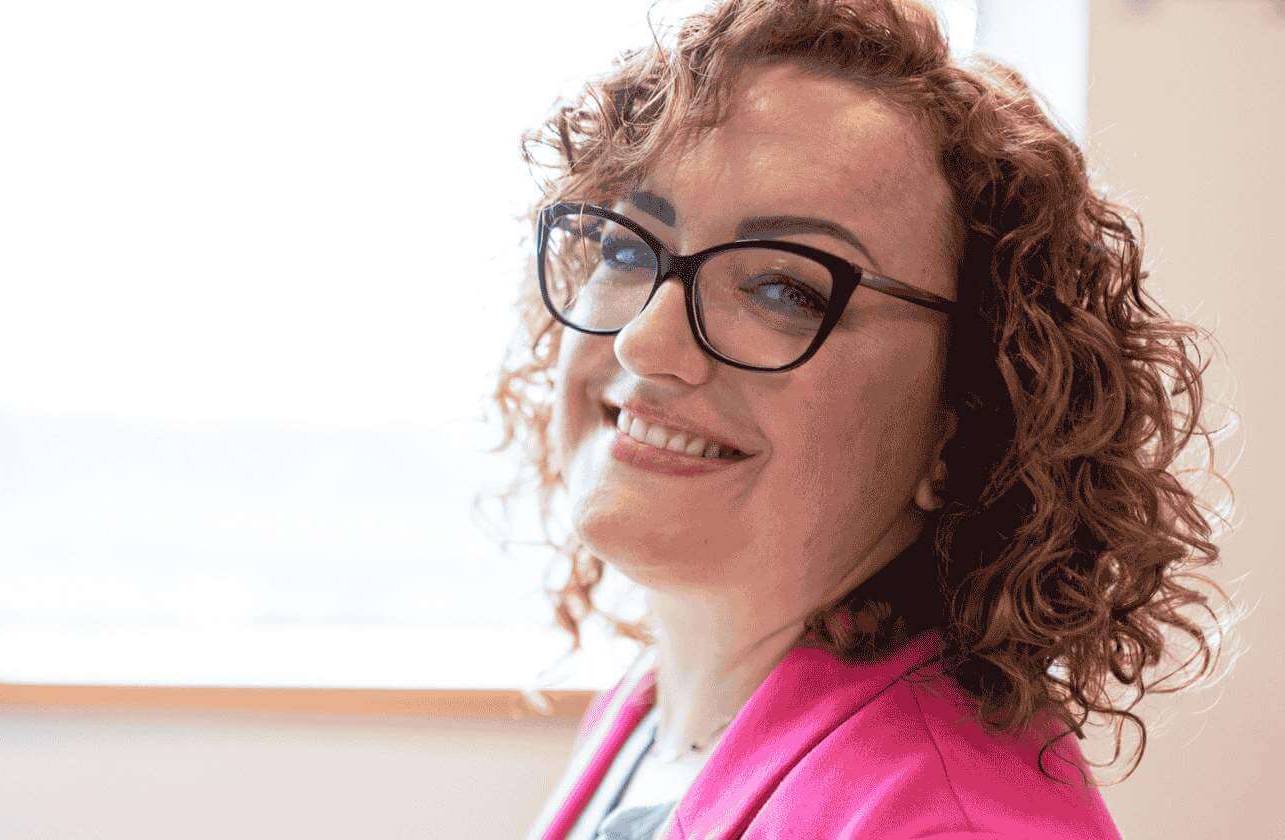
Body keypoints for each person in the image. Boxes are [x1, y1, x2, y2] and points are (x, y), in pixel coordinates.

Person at [491, 1, 1237, 838]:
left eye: (785, 288)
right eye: (629, 249)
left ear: (966, 420)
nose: (645, 341)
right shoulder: (657, 711)